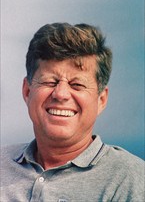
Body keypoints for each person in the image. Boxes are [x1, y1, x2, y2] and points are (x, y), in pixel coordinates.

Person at [1, 23, 144, 202]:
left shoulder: (130, 181)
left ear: (101, 100)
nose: (60, 94)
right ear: (27, 91)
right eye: (50, 82)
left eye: (77, 85)